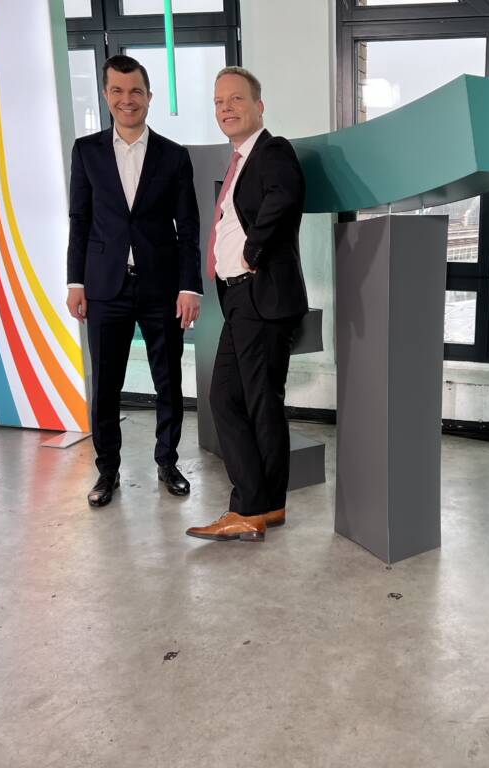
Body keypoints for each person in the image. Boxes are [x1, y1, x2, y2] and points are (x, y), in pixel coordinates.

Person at [66, 55, 201, 508]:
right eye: (118, 91)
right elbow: (80, 221)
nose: (128, 100)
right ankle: (107, 470)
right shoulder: (86, 151)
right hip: (105, 287)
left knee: (168, 381)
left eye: (136, 91)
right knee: (106, 384)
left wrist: (189, 287)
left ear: (148, 96)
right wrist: (75, 281)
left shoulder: (173, 155)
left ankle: (167, 462)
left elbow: (189, 226)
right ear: (106, 95)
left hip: (161, 287)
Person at [185, 66, 308, 543]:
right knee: (252, 401)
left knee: (238, 399)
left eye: (236, 99)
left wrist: (252, 253)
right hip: (244, 300)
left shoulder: (272, 151)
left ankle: (250, 507)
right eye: (219, 102)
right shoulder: (241, 160)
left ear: (259, 105)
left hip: (259, 297)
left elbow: (284, 196)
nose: (226, 108)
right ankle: (267, 505)